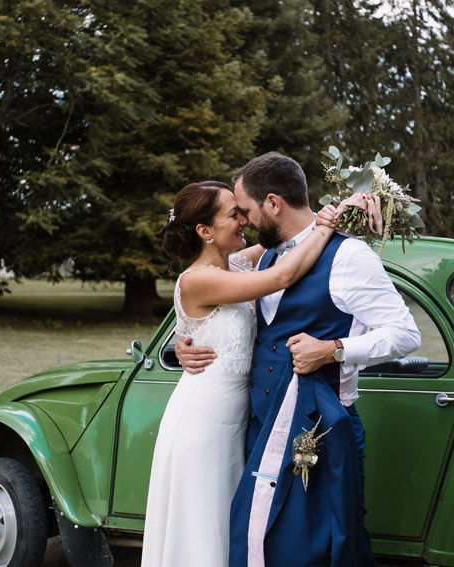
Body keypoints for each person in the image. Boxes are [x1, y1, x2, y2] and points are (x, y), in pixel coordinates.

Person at [175, 152, 421, 566]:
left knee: (323, 548)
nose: (245, 222)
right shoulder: (267, 257)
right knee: (263, 544)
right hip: (259, 430)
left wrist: (333, 349)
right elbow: (207, 305)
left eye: (247, 212)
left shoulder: (349, 257)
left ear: (273, 204)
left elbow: (406, 334)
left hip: (322, 434)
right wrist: (184, 342)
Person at [141, 180, 341, 567]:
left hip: (235, 421)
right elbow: (282, 276)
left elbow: (283, 240)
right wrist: (326, 227)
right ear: (204, 231)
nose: (245, 220)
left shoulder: (234, 264)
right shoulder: (199, 279)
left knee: (231, 521)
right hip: (202, 422)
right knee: (205, 525)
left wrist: (331, 211)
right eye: (234, 214)